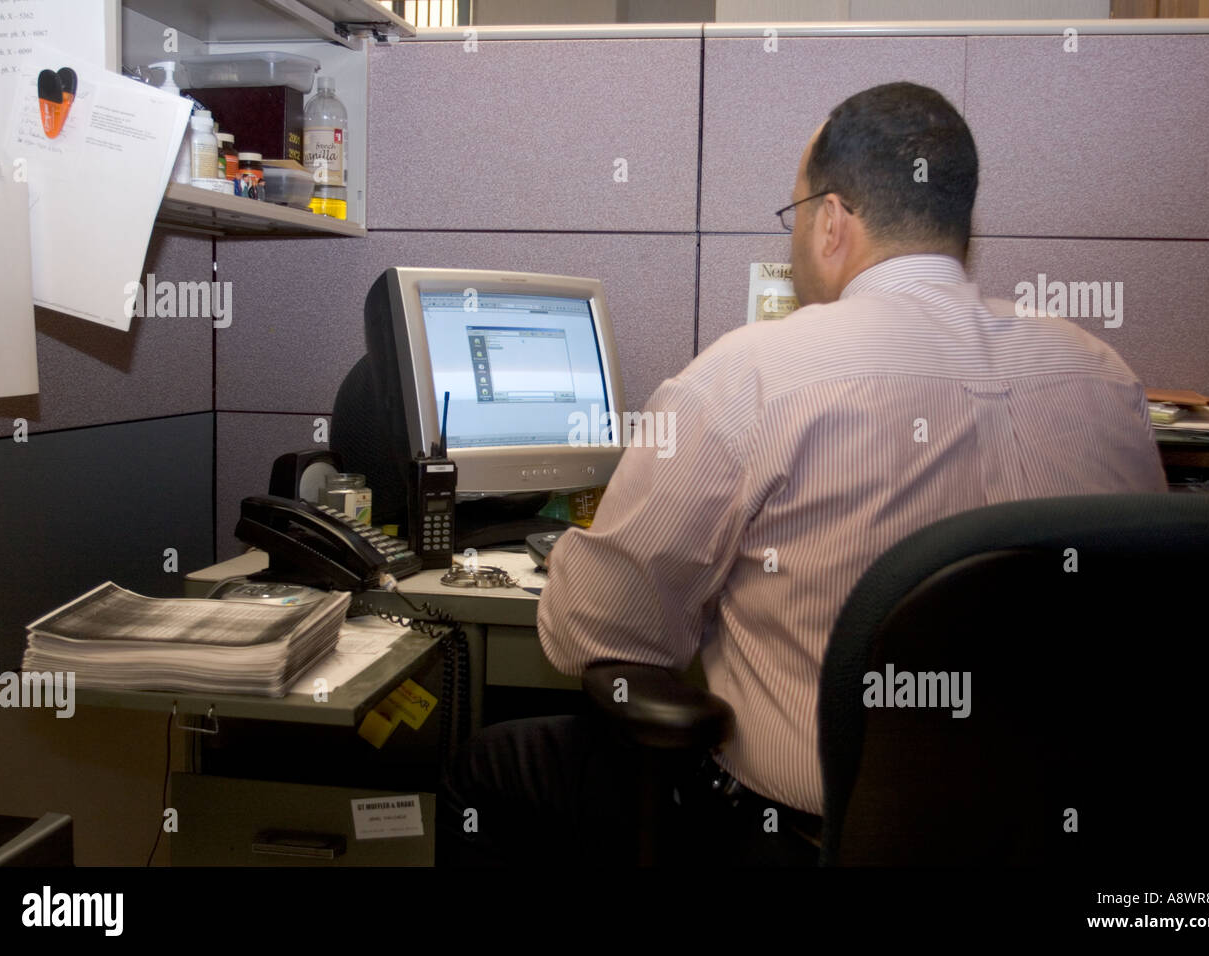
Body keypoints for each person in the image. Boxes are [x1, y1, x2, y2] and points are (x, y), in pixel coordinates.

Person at [436, 81, 1167, 866]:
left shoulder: (753, 377)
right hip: (1067, 842)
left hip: (803, 840)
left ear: (830, 221)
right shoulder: (1102, 378)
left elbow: (598, 631)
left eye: (794, 217)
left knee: (485, 770)